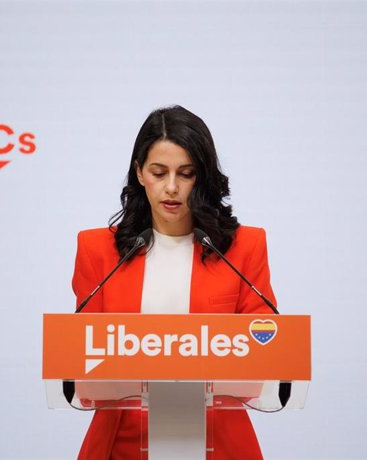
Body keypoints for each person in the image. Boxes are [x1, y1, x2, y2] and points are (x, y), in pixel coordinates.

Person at [72, 105, 277, 459]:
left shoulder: (243, 248)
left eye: (186, 173)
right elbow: (83, 361)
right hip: (122, 443)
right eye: (158, 172)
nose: (171, 188)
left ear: (204, 177)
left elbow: (264, 351)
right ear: (139, 173)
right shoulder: (98, 251)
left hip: (218, 441)